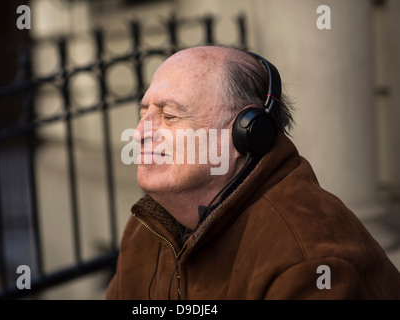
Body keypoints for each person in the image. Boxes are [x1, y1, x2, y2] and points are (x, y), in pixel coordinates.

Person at [106, 45, 400, 299]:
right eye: (143, 114)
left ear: (244, 132)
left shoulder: (308, 255)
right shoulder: (146, 228)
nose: (139, 133)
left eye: (169, 116)